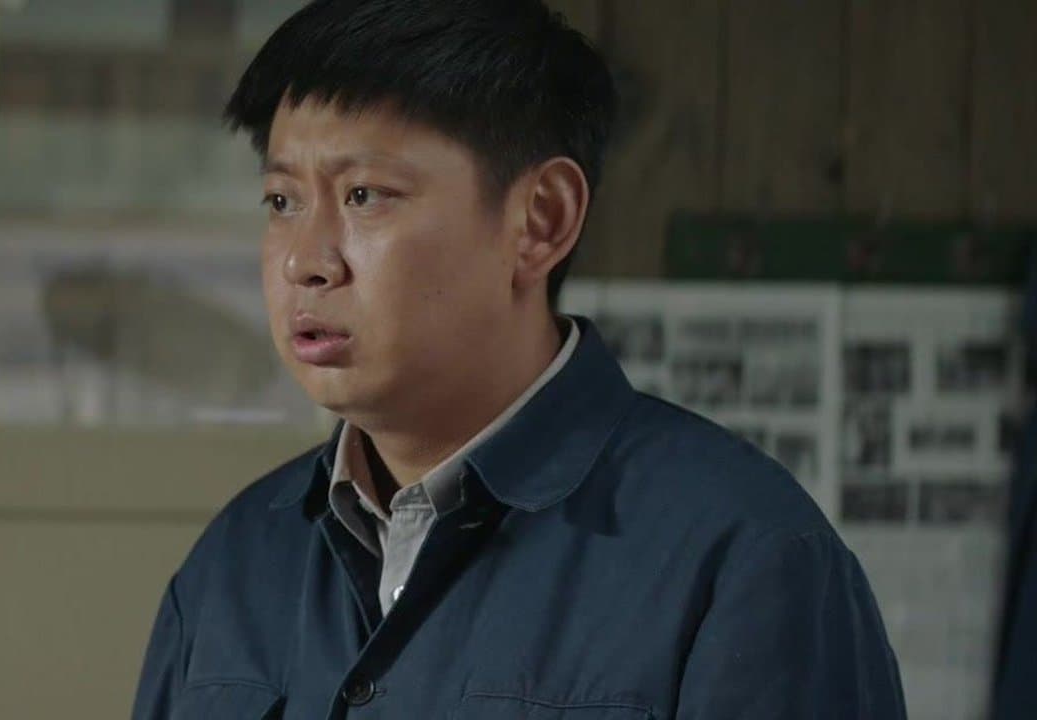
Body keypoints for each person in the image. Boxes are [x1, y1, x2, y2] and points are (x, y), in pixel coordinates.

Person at [132, 1, 907, 717]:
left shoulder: (743, 558)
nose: (305, 261)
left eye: (364, 195)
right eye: (282, 201)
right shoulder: (234, 563)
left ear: (540, 221)